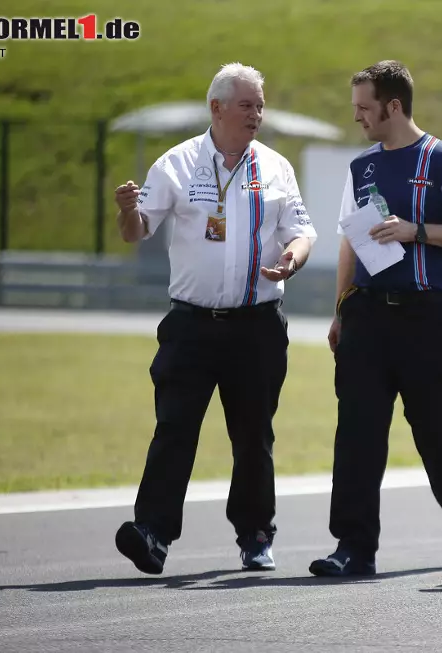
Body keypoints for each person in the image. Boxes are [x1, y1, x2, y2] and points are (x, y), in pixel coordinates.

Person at [112, 62, 317, 575]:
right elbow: (137, 232)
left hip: (257, 325)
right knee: (175, 427)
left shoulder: (275, 168)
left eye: (260, 105)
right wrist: (126, 211)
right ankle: (153, 534)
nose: (256, 114)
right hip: (192, 326)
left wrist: (292, 258)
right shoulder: (176, 164)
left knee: (253, 434)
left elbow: (303, 231)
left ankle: (255, 535)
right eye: (246, 105)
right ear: (217, 108)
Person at [308, 60, 442, 577]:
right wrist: (341, 307)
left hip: (429, 315)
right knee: (358, 431)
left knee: (435, 429)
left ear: (393, 106)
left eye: (365, 108)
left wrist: (418, 231)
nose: (358, 117)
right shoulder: (360, 167)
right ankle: (353, 547)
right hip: (366, 314)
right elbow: (350, 239)